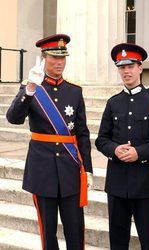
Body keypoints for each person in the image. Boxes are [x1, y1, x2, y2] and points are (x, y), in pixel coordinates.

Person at [6, 34, 93, 250]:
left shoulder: (75, 91)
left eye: (63, 58)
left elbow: (82, 133)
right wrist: (30, 89)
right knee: (48, 232)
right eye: (54, 58)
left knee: (75, 228)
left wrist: (88, 169)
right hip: (42, 170)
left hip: (70, 169)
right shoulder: (33, 88)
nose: (59, 63)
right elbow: (13, 118)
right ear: (43, 58)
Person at [95, 43, 149, 250]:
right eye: (122, 67)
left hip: (146, 183)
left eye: (130, 66)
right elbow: (101, 139)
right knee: (118, 241)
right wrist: (114, 150)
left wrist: (139, 153)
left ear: (140, 68)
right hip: (117, 183)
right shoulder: (113, 102)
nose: (126, 71)